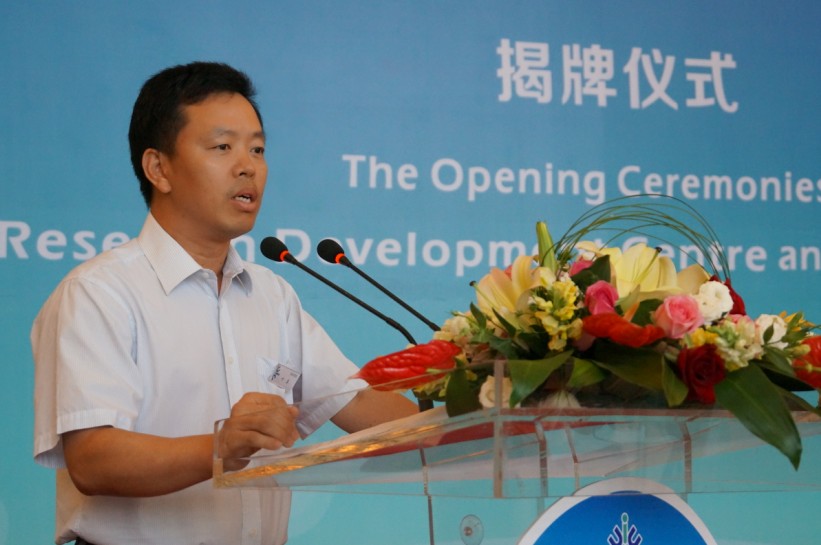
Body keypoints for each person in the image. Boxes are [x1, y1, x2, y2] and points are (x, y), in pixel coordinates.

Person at [31, 61, 418, 545]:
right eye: (222, 147)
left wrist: (483, 417)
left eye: (257, 149)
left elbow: (353, 400)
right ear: (159, 168)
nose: (247, 166)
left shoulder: (271, 294)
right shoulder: (99, 292)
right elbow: (93, 459)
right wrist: (220, 446)